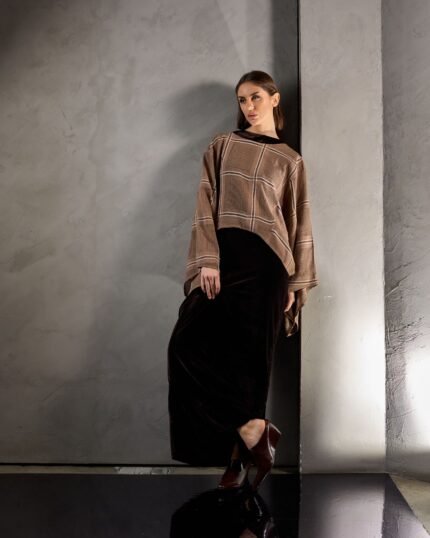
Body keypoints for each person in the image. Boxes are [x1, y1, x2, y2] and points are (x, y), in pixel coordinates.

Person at [167, 70, 318, 492]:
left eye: (255, 97)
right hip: (225, 260)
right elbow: (205, 202)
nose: (248, 107)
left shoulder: (290, 160)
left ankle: (237, 458)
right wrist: (207, 259)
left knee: (249, 363)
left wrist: (294, 284)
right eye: (242, 100)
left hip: (269, 267)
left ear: (274, 99)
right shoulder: (223, 145)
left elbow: (299, 222)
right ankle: (254, 430)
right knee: (185, 346)